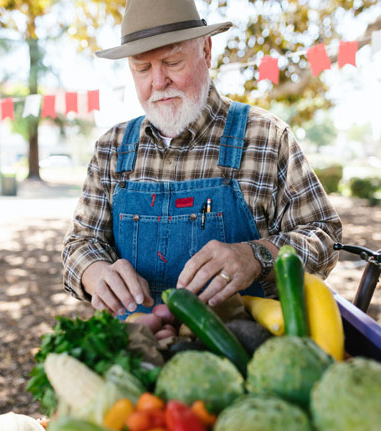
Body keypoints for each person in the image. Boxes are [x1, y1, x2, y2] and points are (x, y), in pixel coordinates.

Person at [62, 0, 342, 321]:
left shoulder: (266, 136)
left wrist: (257, 255)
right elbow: (80, 243)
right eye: (142, 68)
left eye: (172, 62)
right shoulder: (111, 148)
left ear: (206, 51)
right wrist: (94, 271)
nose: (158, 81)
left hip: (244, 351)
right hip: (137, 351)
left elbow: (324, 235)